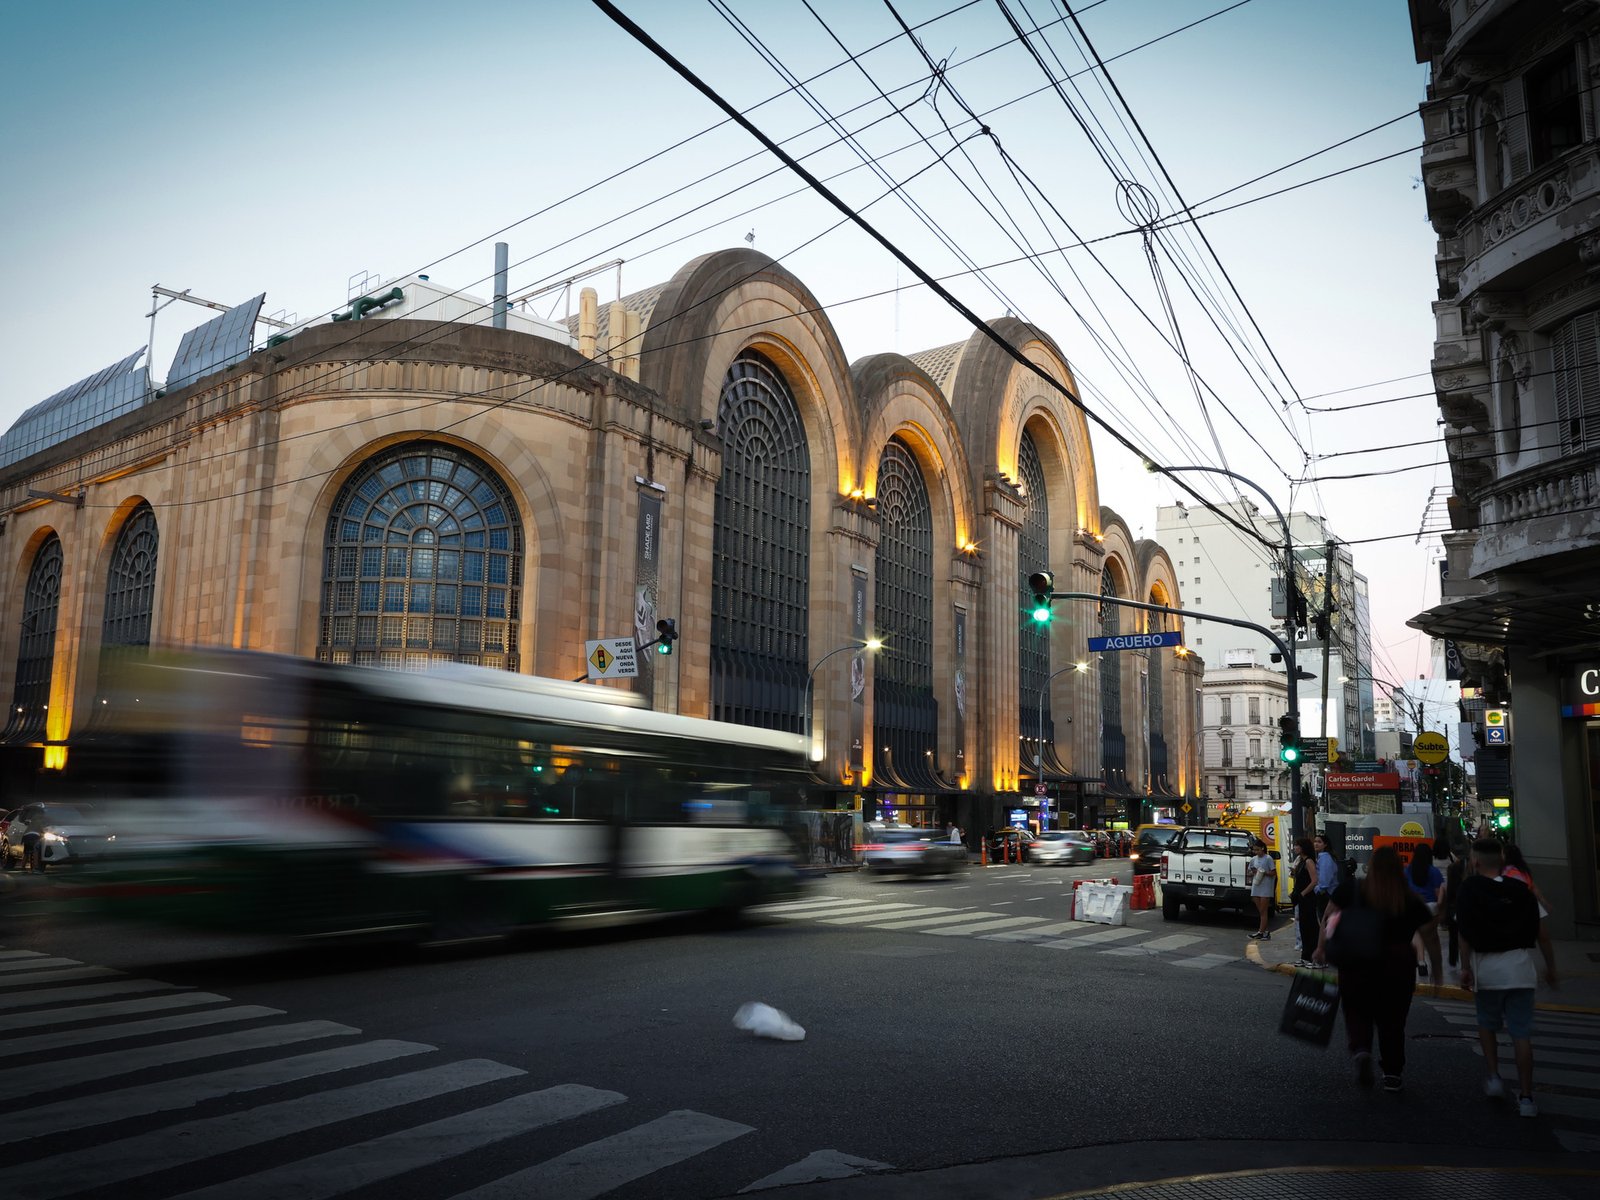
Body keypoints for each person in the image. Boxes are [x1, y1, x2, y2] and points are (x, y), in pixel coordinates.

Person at [1313, 845, 1432, 1093]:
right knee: (1393, 1020)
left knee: (1357, 1011)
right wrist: (1438, 969)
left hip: (1357, 961)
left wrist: (1321, 947)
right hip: (1397, 965)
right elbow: (1428, 934)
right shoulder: (1408, 898)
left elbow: (1328, 917)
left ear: (1371, 866)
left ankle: (1361, 1049)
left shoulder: (1352, 889)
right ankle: (1392, 1073)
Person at [1457, 839, 1558, 1118]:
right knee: (1521, 1034)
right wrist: (1551, 967)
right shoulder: (1522, 890)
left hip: (1487, 970)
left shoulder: (1470, 889)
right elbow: (1543, 935)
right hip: (1521, 969)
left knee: (1487, 1025)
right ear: (1502, 861)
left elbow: (1464, 933)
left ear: (1475, 861)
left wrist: (1464, 967)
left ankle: (1494, 1076)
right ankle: (1526, 1098)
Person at [1406, 845, 1445, 981]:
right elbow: (1438, 892)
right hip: (1431, 907)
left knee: (1417, 934)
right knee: (1432, 937)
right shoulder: (1434, 871)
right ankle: (1435, 969)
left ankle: (1421, 961)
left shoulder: (1408, 870)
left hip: (1413, 906)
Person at [1289, 837, 1320, 968]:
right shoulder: (1300, 861)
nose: (1295, 848)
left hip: (1308, 898)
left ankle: (1315, 957)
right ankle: (1305, 956)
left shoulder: (1308, 861)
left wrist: (1303, 893)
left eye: (1298, 845)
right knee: (1303, 928)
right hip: (1300, 898)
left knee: (1311, 927)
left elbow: (1314, 881)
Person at [1247, 838, 1277, 940]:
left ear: (1262, 848)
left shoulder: (1268, 858)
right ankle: (1264, 931)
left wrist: (1264, 872)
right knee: (1261, 911)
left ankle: (1261, 931)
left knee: (1263, 910)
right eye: (1254, 850)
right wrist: (1253, 872)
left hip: (1266, 886)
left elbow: (1273, 872)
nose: (1256, 852)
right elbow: (1249, 872)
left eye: (1258, 850)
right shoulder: (1253, 859)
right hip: (1256, 885)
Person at [1312, 833, 1341, 924]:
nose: (1316, 844)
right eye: (1315, 841)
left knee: (1325, 922)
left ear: (1325, 844)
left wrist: (1317, 889)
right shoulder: (1323, 857)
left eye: (1319, 842)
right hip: (1328, 893)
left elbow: (1325, 880)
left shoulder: (1325, 858)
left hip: (1326, 894)